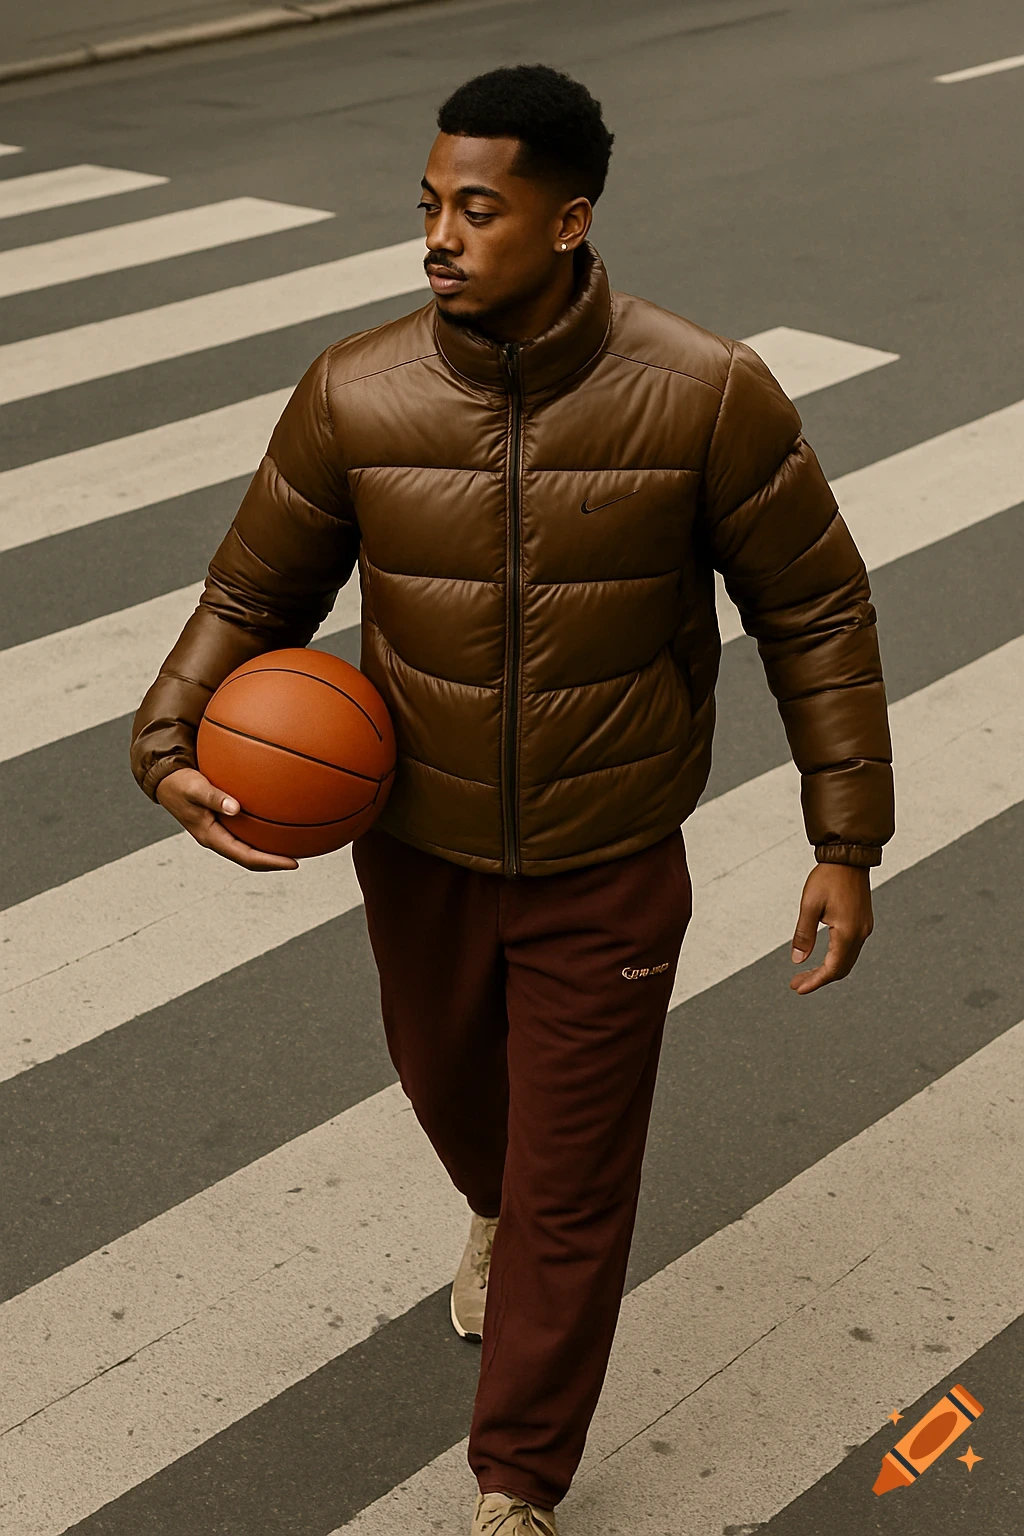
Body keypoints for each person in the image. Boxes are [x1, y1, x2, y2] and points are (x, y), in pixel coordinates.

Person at [131, 64, 894, 1536]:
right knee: (449, 1087)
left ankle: (518, 1480)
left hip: (610, 851)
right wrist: (167, 739)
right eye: (429, 204)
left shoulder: (706, 390)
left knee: (574, 1180)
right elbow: (253, 591)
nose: (439, 236)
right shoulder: (354, 391)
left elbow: (817, 611)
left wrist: (843, 839)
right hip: (415, 848)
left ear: (568, 220)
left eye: (478, 210)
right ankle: (494, 1204)